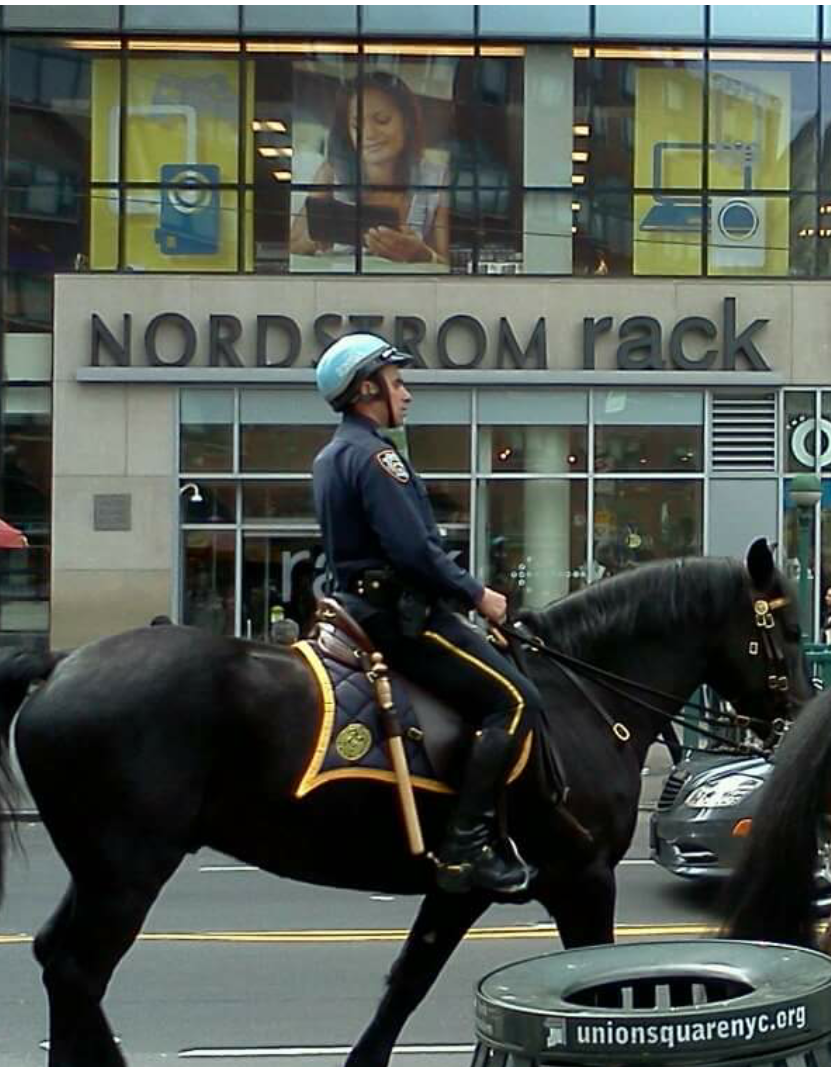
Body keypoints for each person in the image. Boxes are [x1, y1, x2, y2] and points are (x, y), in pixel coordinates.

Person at [312, 332, 538, 896]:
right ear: (367, 390)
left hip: (357, 606)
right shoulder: (377, 456)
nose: (406, 394)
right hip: (399, 617)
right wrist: (477, 596)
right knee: (513, 701)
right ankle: (468, 848)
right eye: (396, 382)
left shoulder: (331, 454)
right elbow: (414, 553)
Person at [290, 71, 450, 265]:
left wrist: (422, 255)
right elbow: (294, 246)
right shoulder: (333, 173)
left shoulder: (434, 179)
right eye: (357, 126)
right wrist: (312, 240)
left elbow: (448, 265)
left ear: (407, 123)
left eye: (382, 120)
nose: (369, 134)